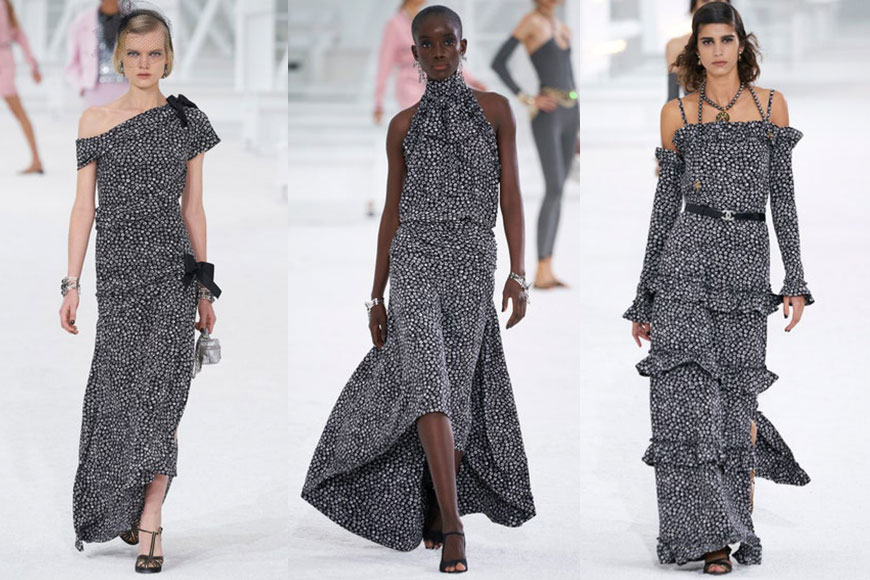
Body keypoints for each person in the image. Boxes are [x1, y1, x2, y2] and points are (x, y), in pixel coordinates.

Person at [303, 5, 535, 574]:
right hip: (414, 263)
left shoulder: (496, 110)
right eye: (426, 44)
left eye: (446, 41)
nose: (437, 52)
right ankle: (453, 526)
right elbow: (391, 212)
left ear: (463, 46)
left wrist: (518, 272)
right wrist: (376, 295)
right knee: (429, 383)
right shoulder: (402, 126)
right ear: (413, 54)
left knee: (456, 392)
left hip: (472, 265)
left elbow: (511, 195)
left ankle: (436, 501)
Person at [624, 3, 812, 575]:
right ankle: (707, 539)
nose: (718, 51)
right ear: (695, 49)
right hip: (686, 260)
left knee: (735, 405)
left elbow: (784, 199)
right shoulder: (676, 113)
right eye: (707, 42)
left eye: (726, 39)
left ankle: (735, 526)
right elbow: (663, 209)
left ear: (742, 44)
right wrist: (645, 294)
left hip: (747, 268)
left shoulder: (771, 106)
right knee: (684, 403)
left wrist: (795, 278)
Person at [60, 6, 221, 574]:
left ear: (169, 58)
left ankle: (151, 516)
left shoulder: (187, 121)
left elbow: (193, 209)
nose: (144, 63)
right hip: (118, 278)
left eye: (155, 53)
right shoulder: (95, 120)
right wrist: (72, 283)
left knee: (162, 397)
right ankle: (125, 502)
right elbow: (84, 208)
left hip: (172, 275)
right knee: (117, 396)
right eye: (134, 53)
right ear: (119, 58)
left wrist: (205, 289)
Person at [491, 0, 578, 289]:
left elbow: (569, 75)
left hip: (571, 112)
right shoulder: (530, 22)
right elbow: (498, 62)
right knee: (553, 187)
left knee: (559, 189)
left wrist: (578, 126)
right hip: (548, 114)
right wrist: (527, 97)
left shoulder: (563, 27)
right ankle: (540, 268)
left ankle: (549, 268)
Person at [373, 0, 486, 124]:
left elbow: (445, 55)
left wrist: (471, 80)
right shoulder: (395, 24)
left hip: (437, 82)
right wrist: (379, 101)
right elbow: (385, 61)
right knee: (423, 125)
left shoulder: (427, 20)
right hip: (410, 84)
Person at [0, 0, 43, 174]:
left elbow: (21, 37)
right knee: (19, 111)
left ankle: (36, 160)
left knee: (18, 110)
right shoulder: (7, 7)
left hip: (3, 60)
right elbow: (21, 38)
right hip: (5, 58)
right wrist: (33, 66)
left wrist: (33, 66)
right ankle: (36, 160)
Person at [66, 0, 129, 107]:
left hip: (128, 88)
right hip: (94, 90)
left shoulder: (133, 19)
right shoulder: (82, 21)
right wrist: (81, 86)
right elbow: (72, 62)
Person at [665, 0, 729, 102]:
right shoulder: (676, 46)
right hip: (694, 112)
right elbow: (672, 99)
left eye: (718, 0)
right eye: (705, 1)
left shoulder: (739, 44)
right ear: (694, 7)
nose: (712, 6)